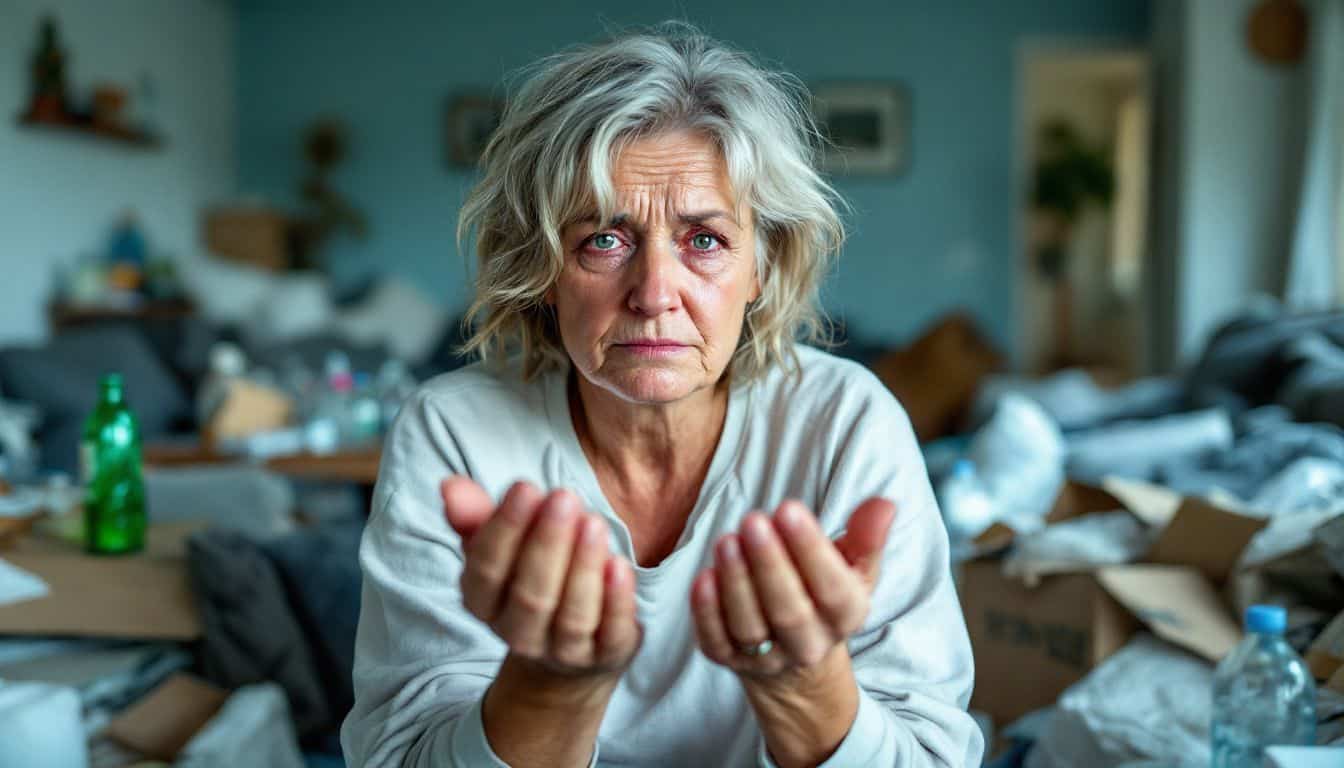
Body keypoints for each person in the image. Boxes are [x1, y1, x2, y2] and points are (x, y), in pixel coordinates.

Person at [342, 23, 982, 768]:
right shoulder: (454, 432)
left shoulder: (845, 422)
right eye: (604, 239)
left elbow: (934, 756)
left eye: (704, 240)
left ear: (763, 267)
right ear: (544, 268)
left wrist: (805, 687)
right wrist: (551, 687)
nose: (652, 295)